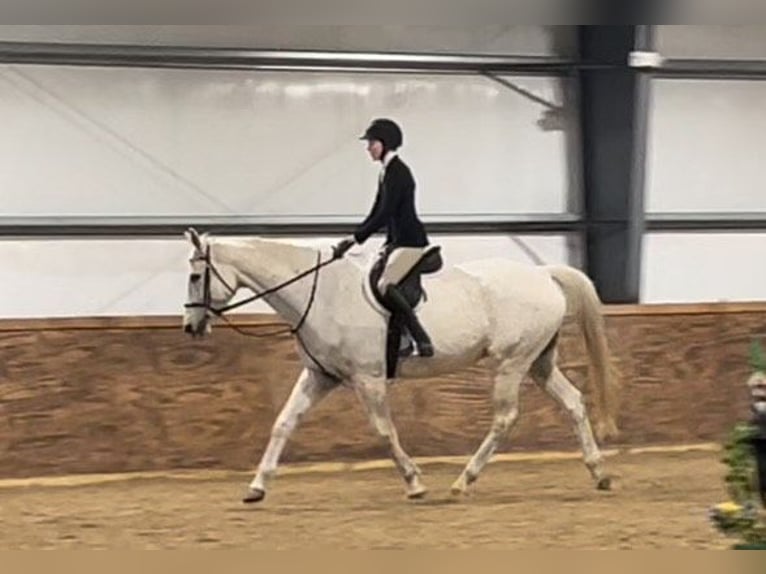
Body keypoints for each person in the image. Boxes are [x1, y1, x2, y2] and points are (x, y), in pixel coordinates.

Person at [333, 118, 434, 358]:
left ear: (385, 143)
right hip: (396, 240)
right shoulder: (386, 171)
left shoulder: (398, 172)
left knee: (385, 285)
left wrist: (356, 238)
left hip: (411, 241)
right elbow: (377, 210)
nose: (368, 148)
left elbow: (386, 213)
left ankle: (418, 338)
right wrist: (353, 238)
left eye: (372, 143)